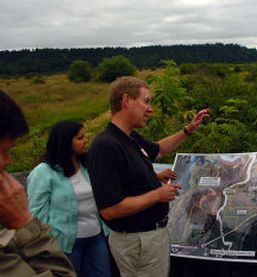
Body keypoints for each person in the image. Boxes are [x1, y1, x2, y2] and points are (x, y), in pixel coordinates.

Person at [86, 76, 209, 277]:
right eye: (146, 101)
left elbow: (159, 149)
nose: (150, 109)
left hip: (148, 240)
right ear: (126, 100)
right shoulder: (105, 147)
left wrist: (187, 130)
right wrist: (157, 195)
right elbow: (109, 210)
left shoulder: (129, 137)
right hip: (138, 243)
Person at [0, 90, 75, 276]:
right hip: (62, 243)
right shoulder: (43, 172)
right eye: (3, 152)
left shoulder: (83, 166)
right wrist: (23, 223)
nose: (8, 161)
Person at [27, 120, 111, 277]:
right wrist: (52, 237)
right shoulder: (44, 172)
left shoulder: (87, 165)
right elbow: (36, 212)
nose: (86, 141)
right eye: (80, 138)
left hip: (96, 237)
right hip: (64, 243)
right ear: (65, 142)